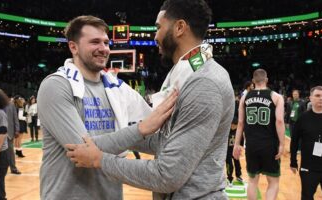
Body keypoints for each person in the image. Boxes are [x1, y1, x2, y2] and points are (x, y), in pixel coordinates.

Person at [66, 0, 235, 199]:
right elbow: (164, 142)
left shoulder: (204, 83)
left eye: (158, 27)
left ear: (180, 27)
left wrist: (100, 159)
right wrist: (104, 141)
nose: (155, 36)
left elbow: (167, 175)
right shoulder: (186, 73)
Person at [37, 15, 165, 199]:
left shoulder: (117, 88)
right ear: (73, 47)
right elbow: (82, 151)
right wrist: (140, 129)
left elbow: (139, 139)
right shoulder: (57, 86)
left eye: (106, 42)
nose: (103, 49)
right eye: (95, 42)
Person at [233, 69, 285, 200]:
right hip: (270, 145)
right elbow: (279, 121)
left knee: (252, 182)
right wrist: (282, 144)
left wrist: (236, 144)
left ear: (253, 81)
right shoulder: (276, 97)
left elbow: (240, 123)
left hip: (251, 145)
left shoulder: (244, 97)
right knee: (273, 182)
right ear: (267, 80)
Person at [290, 86, 322, 200]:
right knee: (307, 197)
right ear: (310, 98)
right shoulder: (303, 118)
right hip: (308, 168)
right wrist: (293, 162)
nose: (321, 98)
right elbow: (294, 141)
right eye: (317, 95)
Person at [4, 98, 21, 174]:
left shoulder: (11, 105)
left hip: (9, 132)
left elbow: (15, 118)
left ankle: (13, 168)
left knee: (10, 152)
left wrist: (17, 130)